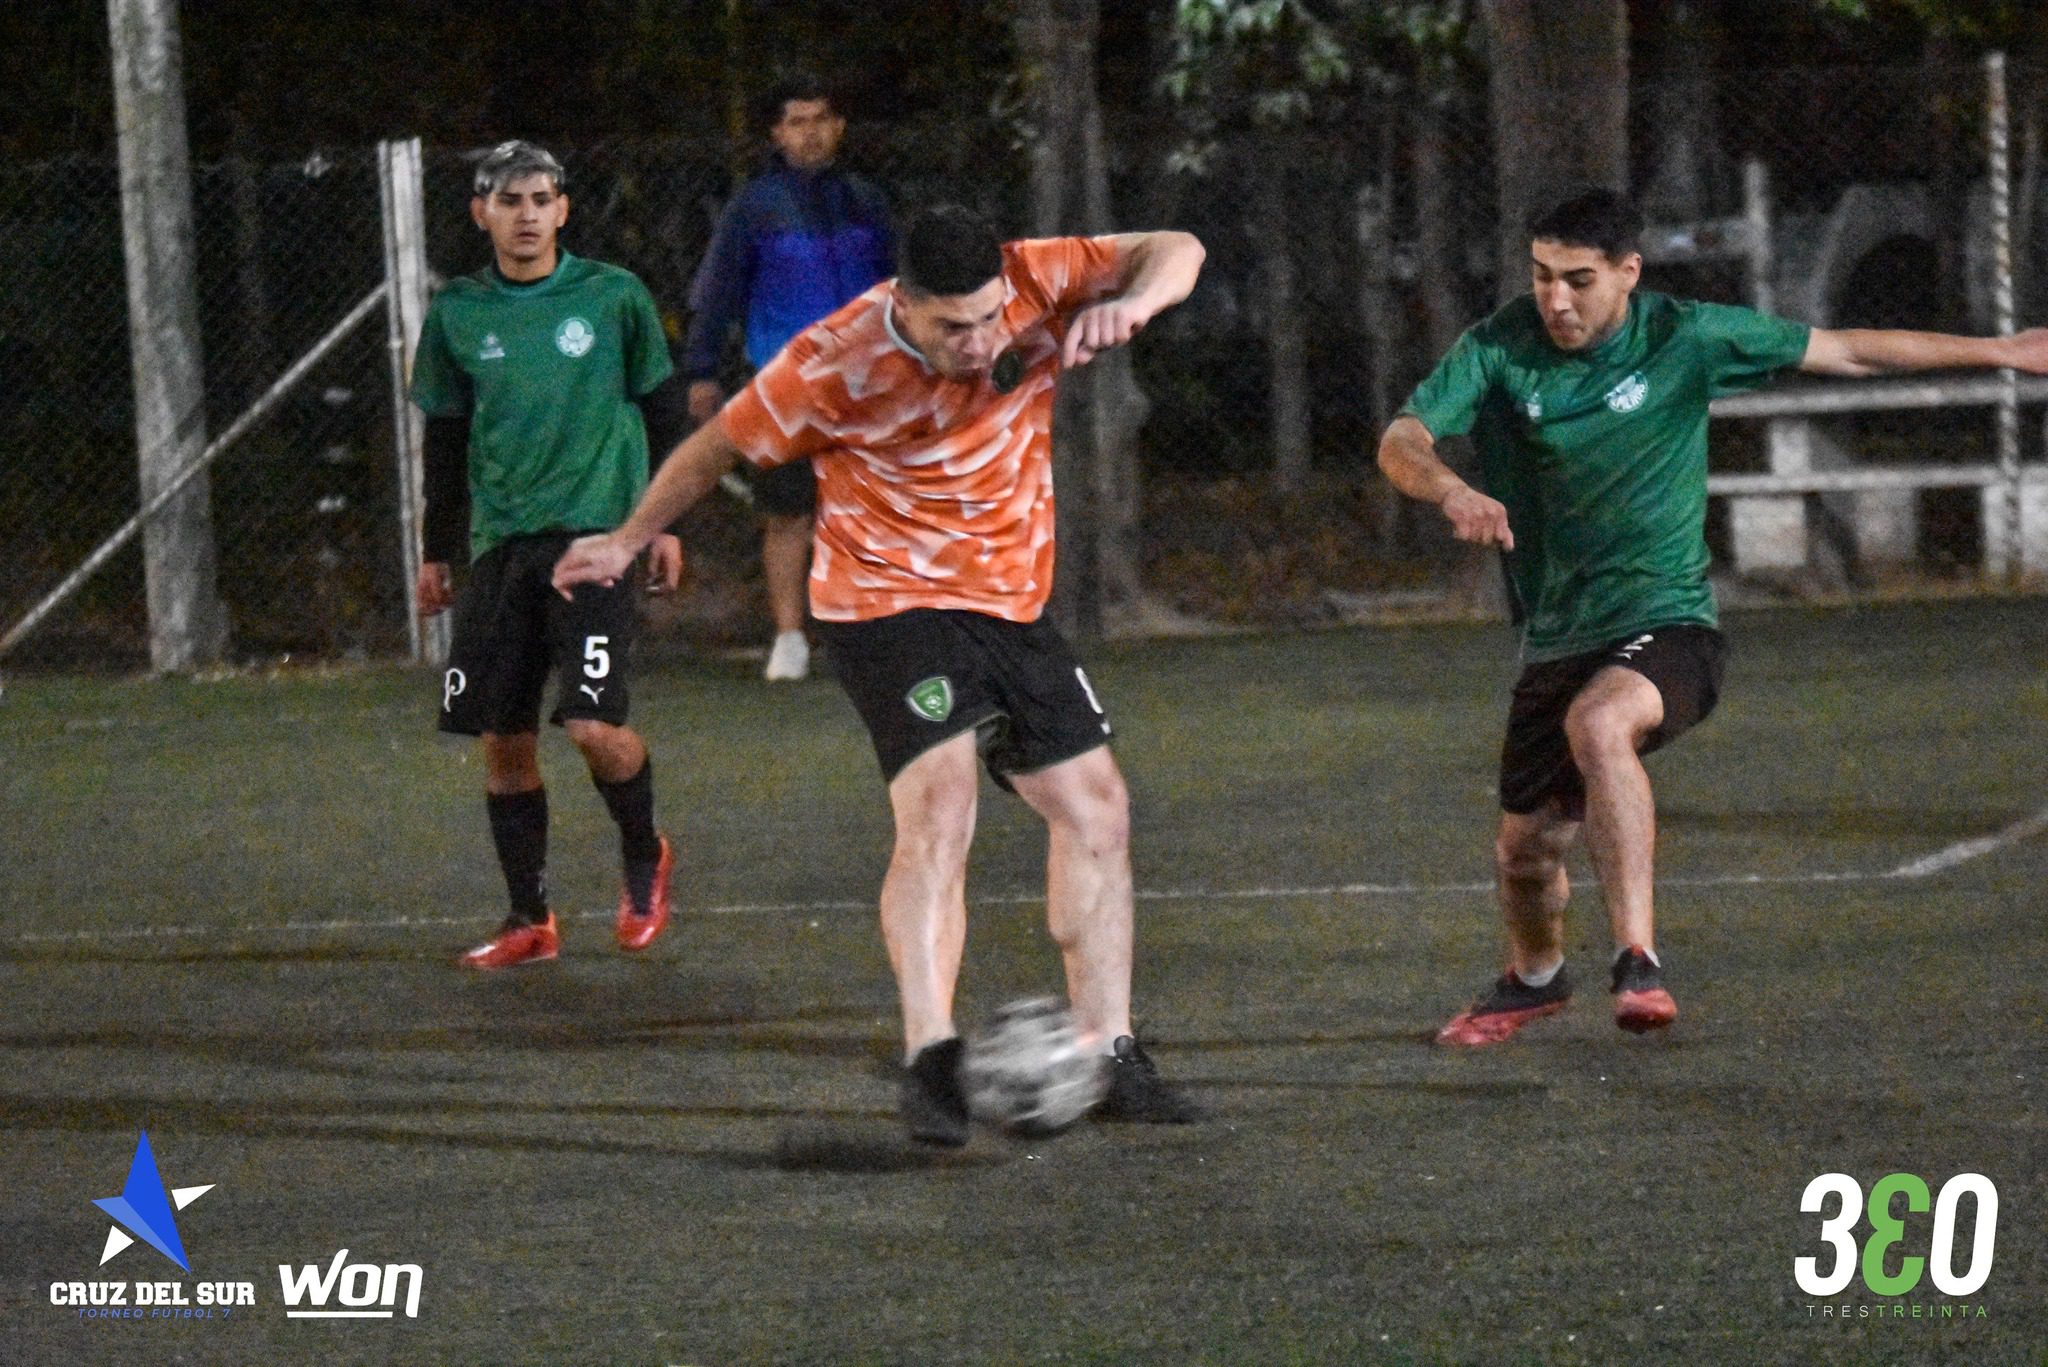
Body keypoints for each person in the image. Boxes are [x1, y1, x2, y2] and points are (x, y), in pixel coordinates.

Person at [556, 206, 1207, 1143]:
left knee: (1098, 808)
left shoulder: (1034, 276)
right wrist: (625, 540)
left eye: (990, 319)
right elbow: (717, 448)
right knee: (941, 807)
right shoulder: (834, 360)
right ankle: (932, 1058)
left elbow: (1175, 244)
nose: (982, 342)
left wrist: (1136, 301)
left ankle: (1110, 1052)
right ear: (904, 302)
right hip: (885, 603)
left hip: (1009, 600)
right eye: (955, 327)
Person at [1379, 187, 2048, 1046]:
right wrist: (1452, 486)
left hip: (1672, 622)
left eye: (1578, 279)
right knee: (1524, 850)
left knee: (1602, 723)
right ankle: (1534, 978)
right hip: (1557, 633)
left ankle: (1638, 958)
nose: (1555, 298)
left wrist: (2003, 349)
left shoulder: (1684, 336)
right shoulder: (1501, 347)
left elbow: (1845, 352)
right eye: (1542, 276)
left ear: (1629, 273)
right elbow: (1401, 438)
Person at [411, 140, 692, 970]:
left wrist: (665, 523)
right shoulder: (459, 312)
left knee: (593, 724)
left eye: (541, 199)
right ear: (481, 213)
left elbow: (663, 405)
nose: (527, 214)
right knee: (503, 738)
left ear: (564, 208)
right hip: (502, 546)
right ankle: (529, 918)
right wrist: (436, 549)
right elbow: (446, 436)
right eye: (510, 201)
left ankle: (645, 852)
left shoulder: (613, 297)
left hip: (598, 541)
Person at [681, 76, 896, 681]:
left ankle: (870, 634)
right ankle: (789, 637)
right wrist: (701, 371)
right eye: (797, 122)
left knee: (869, 513)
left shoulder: (867, 202)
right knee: (787, 512)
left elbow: (901, 293)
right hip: (784, 384)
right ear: (777, 133)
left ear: (840, 126)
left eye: (822, 119)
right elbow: (718, 293)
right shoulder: (753, 207)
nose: (811, 132)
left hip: (865, 386)